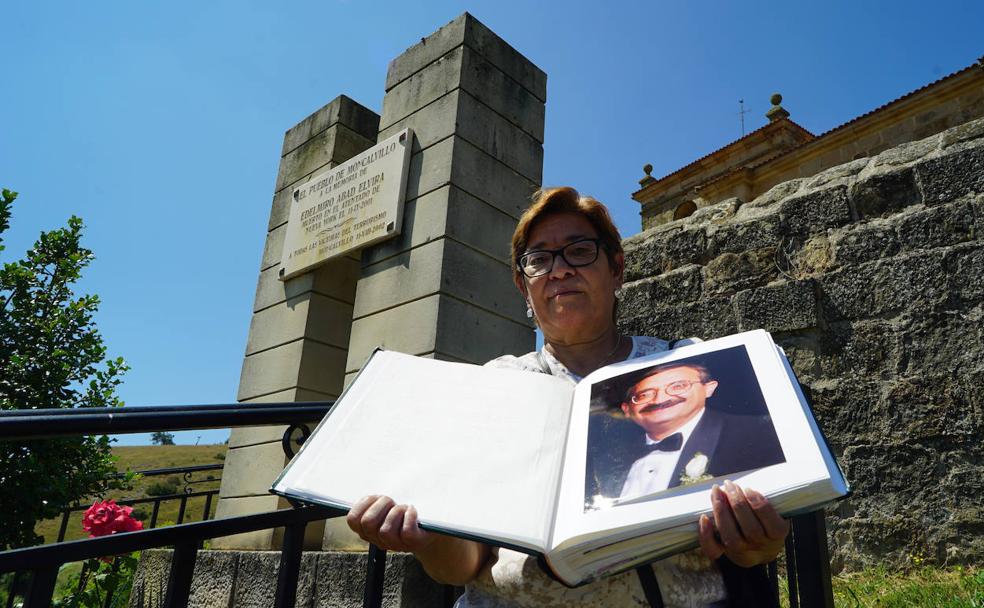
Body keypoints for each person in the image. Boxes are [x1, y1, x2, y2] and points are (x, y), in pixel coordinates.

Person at [347, 187, 788, 607]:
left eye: (579, 251)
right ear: (524, 287)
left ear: (616, 268)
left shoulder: (687, 364)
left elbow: (752, 545)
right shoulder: (496, 385)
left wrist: (755, 544)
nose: (559, 270)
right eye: (539, 260)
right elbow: (464, 564)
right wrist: (428, 540)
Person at [618, 362, 786, 501]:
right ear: (627, 409)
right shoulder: (606, 458)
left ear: (709, 388)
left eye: (678, 386)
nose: (661, 399)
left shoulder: (759, 434)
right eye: (644, 395)